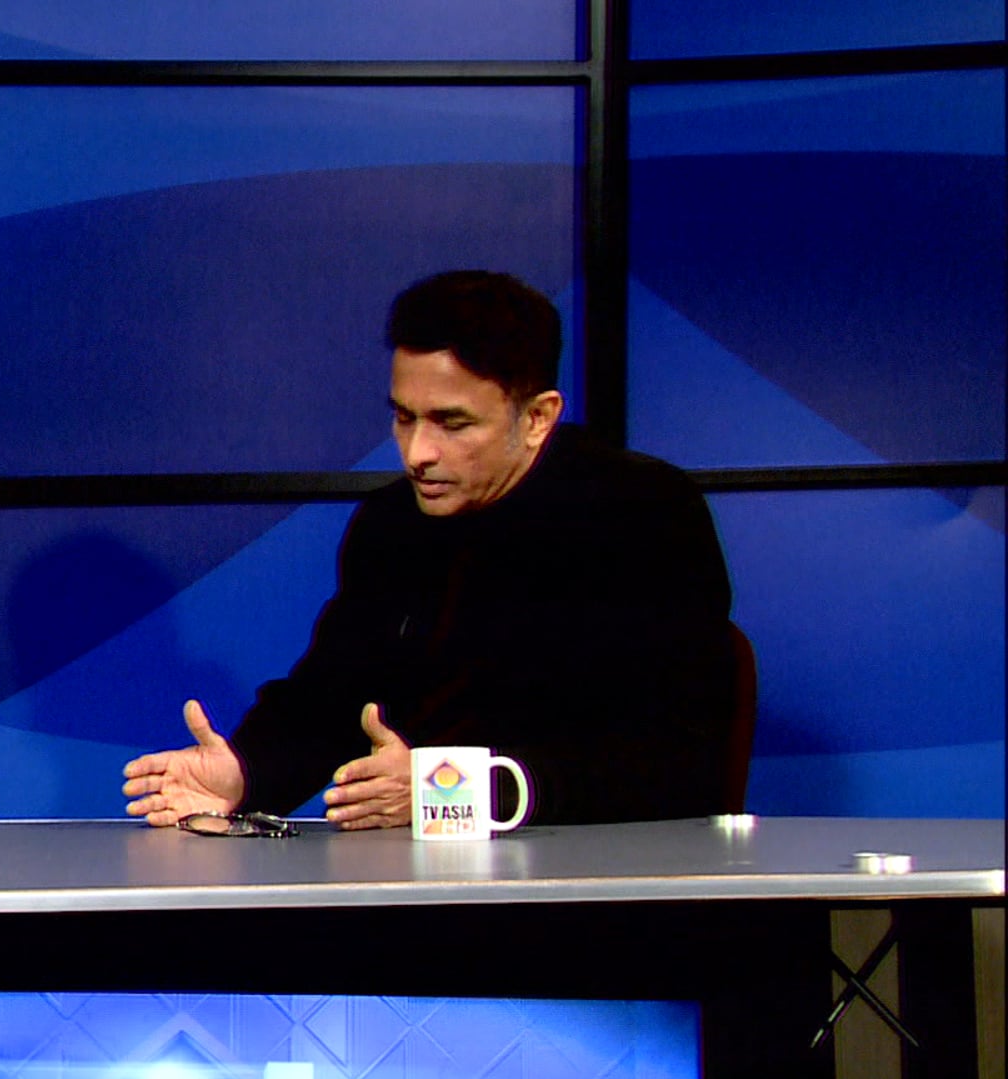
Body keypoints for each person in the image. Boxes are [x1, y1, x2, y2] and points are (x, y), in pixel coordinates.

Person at [123, 270, 738, 831]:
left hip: (596, 885)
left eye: (452, 423)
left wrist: (457, 792)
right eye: (404, 418)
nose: (418, 453)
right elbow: (333, 696)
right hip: (420, 879)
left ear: (537, 418)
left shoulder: (644, 512)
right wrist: (245, 773)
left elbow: (681, 757)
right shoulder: (391, 523)